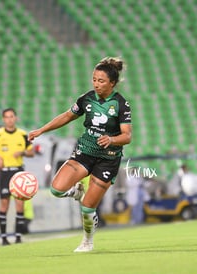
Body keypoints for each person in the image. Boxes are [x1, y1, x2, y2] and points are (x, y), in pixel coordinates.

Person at [28, 57, 132, 252]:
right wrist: (41, 130)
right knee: (56, 189)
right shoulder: (87, 98)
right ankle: (74, 191)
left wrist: (111, 139)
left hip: (108, 159)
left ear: (112, 83)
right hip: (85, 151)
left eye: (101, 81)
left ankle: (87, 241)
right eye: (94, 79)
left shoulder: (121, 104)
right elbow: (67, 116)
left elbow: (127, 136)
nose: (96, 84)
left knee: (87, 207)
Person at [0, 108, 35, 245]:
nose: (9, 119)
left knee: (19, 204)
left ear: (16, 118)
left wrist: (22, 153)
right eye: (6, 117)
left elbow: (32, 153)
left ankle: (18, 236)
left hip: (18, 171)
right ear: (3, 119)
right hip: (5, 172)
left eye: (12, 116)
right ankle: (4, 238)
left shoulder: (23, 134)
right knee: (4, 204)